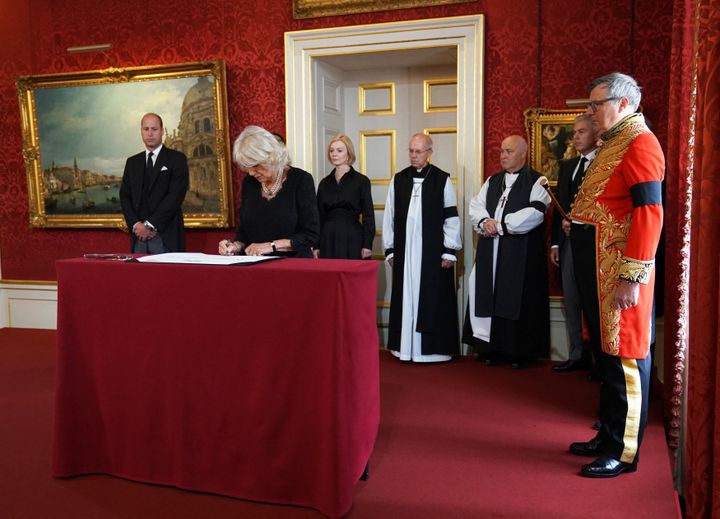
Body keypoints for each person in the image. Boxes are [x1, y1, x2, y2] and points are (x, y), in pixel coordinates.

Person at [567, 73, 664, 478]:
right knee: (605, 357)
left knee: (625, 358)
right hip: (596, 265)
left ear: (623, 103)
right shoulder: (612, 143)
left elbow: (649, 213)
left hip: (619, 272)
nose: (590, 113)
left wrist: (632, 277)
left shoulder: (641, 141)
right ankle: (607, 434)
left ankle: (623, 452)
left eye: (596, 104)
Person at [462, 135, 551, 369]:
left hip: (519, 251)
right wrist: (484, 221)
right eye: (501, 151)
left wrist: (502, 225)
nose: (503, 155)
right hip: (491, 247)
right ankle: (490, 348)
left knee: (515, 294)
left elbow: (536, 212)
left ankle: (517, 351)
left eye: (509, 151)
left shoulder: (537, 181)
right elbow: (476, 205)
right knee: (489, 292)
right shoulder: (493, 180)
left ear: (523, 154)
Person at [382, 133, 461, 362]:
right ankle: (405, 349)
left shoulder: (441, 179)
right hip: (405, 252)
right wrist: (390, 250)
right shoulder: (399, 180)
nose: (414, 156)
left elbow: (451, 217)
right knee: (406, 297)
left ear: (429, 152)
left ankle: (433, 352)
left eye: (418, 151)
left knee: (432, 297)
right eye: (411, 151)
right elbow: (389, 217)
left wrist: (449, 250)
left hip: (432, 253)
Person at [218, 125, 319, 258]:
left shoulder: (301, 180)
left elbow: (311, 235)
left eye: (255, 166)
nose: (252, 173)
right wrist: (234, 246)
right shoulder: (249, 183)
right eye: (247, 167)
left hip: (294, 265)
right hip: (256, 265)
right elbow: (244, 233)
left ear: (271, 157)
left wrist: (272, 246)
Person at [550, 115, 598, 372]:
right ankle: (576, 355)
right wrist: (556, 244)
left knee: (593, 301)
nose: (576, 137)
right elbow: (560, 209)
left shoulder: (603, 163)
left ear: (595, 133)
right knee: (571, 299)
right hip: (568, 243)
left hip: (593, 245)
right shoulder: (568, 166)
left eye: (581, 132)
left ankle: (597, 361)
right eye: (574, 133)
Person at [120, 112, 189, 253]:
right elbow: (124, 196)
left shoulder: (177, 159)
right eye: (146, 129)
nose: (150, 133)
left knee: (166, 275)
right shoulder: (132, 162)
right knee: (138, 275)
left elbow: (175, 196)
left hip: (166, 236)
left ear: (162, 131)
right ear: (141, 132)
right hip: (138, 237)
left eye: (154, 129)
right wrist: (136, 225)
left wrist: (150, 225)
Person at [315, 135, 375, 259]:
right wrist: (316, 245)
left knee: (350, 277)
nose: (334, 154)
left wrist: (367, 244)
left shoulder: (361, 181)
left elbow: (368, 215)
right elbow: (318, 217)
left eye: (339, 150)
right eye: (331, 151)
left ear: (348, 153)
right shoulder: (324, 183)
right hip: (327, 238)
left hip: (352, 237)